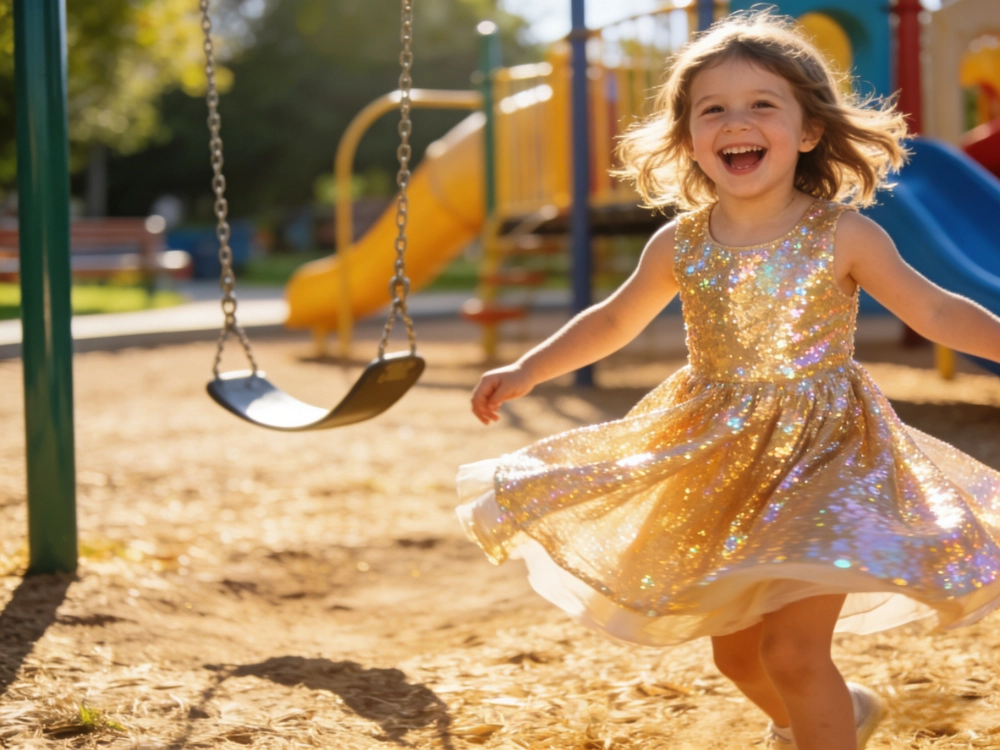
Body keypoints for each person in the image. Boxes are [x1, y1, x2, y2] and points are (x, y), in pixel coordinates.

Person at [455, 9, 1000, 750]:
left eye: (761, 105)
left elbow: (935, 309)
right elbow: (613, 320)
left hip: (827, 454)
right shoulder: (680, 242)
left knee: (793, 651)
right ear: (688, 139)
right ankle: (802, 722)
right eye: (713, 109)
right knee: (735, 652)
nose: (736, 122)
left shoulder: (843, 233)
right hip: (718, 454)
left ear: (808, 130)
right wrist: (528, 368)